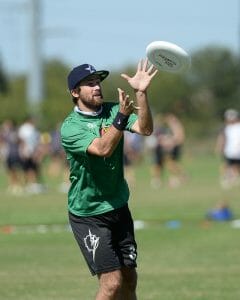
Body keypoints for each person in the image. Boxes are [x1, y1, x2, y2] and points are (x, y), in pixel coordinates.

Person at [61, 59, 157, 300]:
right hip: (89, 213)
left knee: (129, 281)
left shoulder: (114, 109)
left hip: (118, 206)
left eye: (98, 82)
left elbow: (145, 129)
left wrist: (141, 93)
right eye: (89, 84)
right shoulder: (71, 127)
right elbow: (103, 148)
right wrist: (121, 118)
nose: (96, 87)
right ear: (75, 92)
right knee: (112, 284)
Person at [215, 108, 240, 188]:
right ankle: (229, 179)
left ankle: (232, 178)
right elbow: (222, 138)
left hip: (238, 150)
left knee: (235, 166)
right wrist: (220, 147)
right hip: (229, 150)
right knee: (228, 166)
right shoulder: (226, 128)